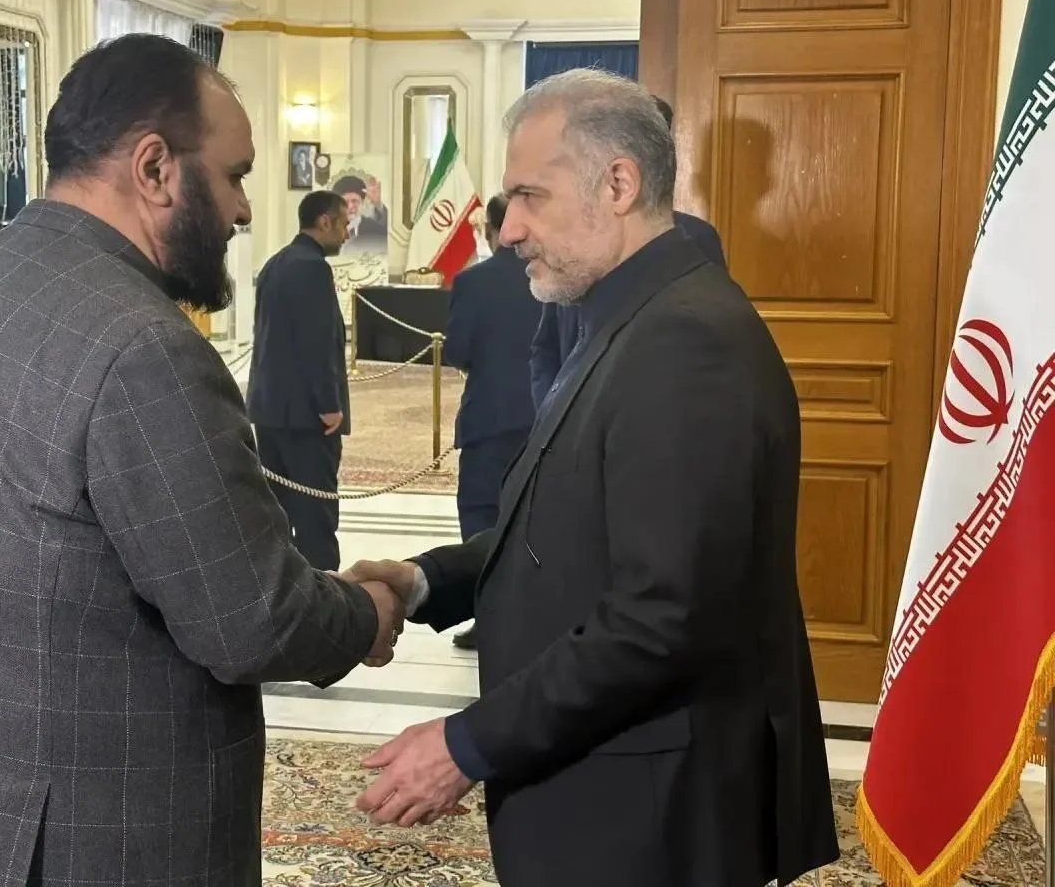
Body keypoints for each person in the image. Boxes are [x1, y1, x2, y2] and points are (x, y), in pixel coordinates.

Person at [0, 34, 405, 887]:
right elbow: (252, 619)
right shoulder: (143, 349)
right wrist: (366, 611)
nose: (245, 210)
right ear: (156, 167)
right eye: (235, 175)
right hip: (80, 844)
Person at [344, 69, 838, 887]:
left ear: (617, 184)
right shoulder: (625, 313)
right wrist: (426, 579)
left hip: (650, 812)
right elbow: (570, 525)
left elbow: (661, 617)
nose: (509, 229)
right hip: (615, 787)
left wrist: (466, 746)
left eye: (530, 197)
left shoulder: (684, 344)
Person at [528, 94, 726, 409]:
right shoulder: (567, 236)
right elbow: (546, 345)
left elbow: (709, 344)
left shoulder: (698, 238)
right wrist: (551, 412)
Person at [440, 192, 541, 651]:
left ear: (490, 230)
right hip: (548, 418)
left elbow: (458, 351)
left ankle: (489, 617)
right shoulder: (553, 276)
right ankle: (535, 617)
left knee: (482, 515)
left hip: (489, 418)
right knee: (538, 516)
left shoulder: (473, 282)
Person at [247, 189, 351, 572]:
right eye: (344, 224)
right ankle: (322, 594)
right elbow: (316, 342)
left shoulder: (275, 263)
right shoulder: (313, 268)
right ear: (325, 221)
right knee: (315, 518)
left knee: (277, 515)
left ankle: (283, 590)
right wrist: (328, 405)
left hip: (270, 411)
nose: (347, 233)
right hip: (306, 417)